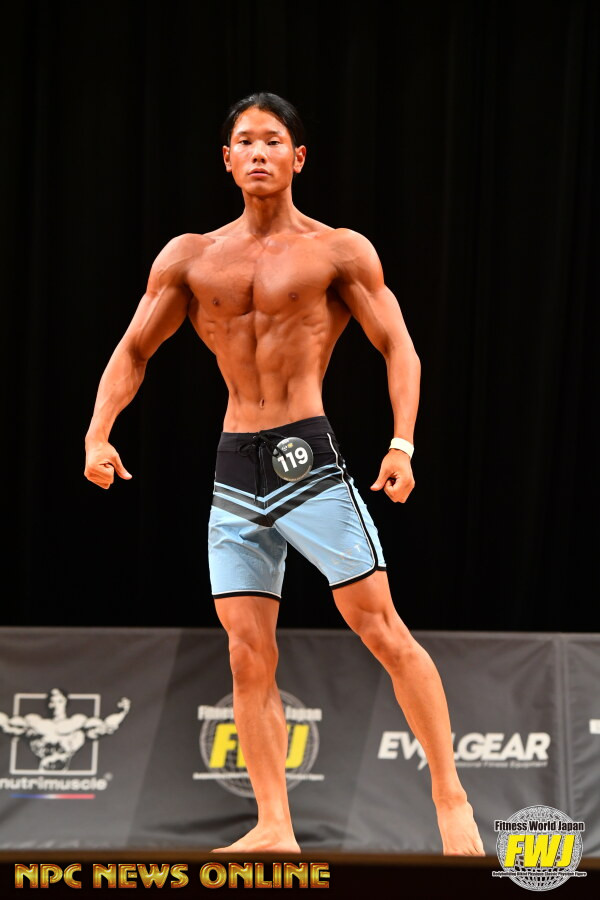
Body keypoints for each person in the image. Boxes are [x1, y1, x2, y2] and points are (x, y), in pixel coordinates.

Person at [84, 91, 484, 856]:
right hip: (235, 470)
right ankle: (274, 825)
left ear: (298, 158)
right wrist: (97, 433)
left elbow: (398, 345)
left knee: (381, 629)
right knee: (246, 654)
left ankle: (451, 799)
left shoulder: (338, 251)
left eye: (273, 140)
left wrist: (402, 444)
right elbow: (134, 349)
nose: (259, 152)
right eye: (245, 141)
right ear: (227, 160)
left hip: (308, 459)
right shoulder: (190, 257)